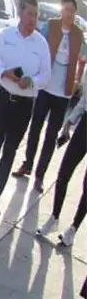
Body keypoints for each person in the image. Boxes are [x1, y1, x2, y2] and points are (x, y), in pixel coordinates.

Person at [0, 0, 50, 216]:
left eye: (36, 15)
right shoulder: (7, 36)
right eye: (29, 14)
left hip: (24, 105)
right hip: (3, 98)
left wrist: (32, 82)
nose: (33, 19)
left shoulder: (41, 44)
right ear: (20, 13)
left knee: (9, 150)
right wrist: (3, 73)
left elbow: (46, 75)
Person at [12, 0, 84, 191]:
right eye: (66, 9)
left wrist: (78, 79)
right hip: (44, 87)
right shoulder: (50, 26)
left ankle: (40, 175)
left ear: (75, 12)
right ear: (61, 10)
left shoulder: (78, 34)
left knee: (51, 135)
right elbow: (37, 44)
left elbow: (82, 58)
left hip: (63, 94)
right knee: (35, 128)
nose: (68, 14)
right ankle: (27, 164)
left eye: (72, 11)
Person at [38, 70, 87, 247]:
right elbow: (84, 101)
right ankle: (54, 217)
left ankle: (73, 228)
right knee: (63, 172)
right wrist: (69, 122)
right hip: (85, 125)